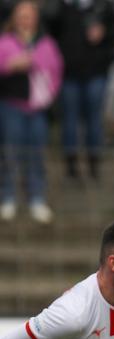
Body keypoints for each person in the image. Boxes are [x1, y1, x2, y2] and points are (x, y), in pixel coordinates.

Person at [43, 0, 114, 181]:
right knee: (69, 120)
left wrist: (103, 32)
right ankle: (71, 167)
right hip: (68, 74)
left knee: (94, 120)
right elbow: (48, 31)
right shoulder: (61, 7)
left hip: (96, 73)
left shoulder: (104, 6)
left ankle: (94, 166)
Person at [0, 0, 62, 224]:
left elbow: (56, 72)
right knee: (10, 152)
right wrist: (11, 65)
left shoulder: (47, 44)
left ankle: (37, 198)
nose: (25, 20)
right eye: (21, 15)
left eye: (28, 16)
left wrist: (48, 94)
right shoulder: (5, 42)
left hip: (37, 108)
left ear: (36, 19)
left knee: (36, 153)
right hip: (11, 105)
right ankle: (8, 197)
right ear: (14, 18)